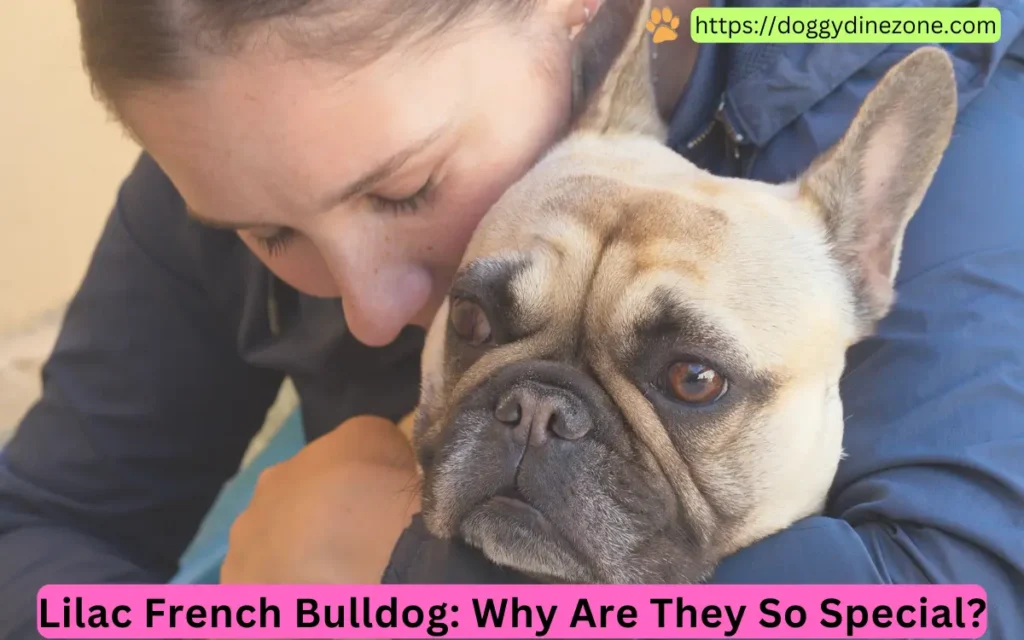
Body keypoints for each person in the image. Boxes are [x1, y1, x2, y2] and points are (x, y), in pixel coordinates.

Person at [1, 0, 1022, 636]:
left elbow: (953, 602)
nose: (372, 314)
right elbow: (37, 531)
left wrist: (402, 580)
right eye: (268, 234)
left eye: (406, 188)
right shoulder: (250, 140)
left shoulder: (950, 134)